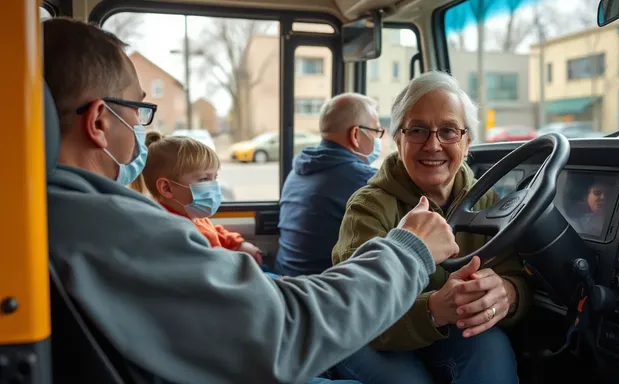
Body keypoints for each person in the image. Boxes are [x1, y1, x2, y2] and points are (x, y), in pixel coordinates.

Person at [43, 17, 467, 383]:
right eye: (136, 109)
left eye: (450, 131)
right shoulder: (110, 227)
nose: (141, 124)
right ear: (100, 121)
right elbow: (281, 332)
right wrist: (409, 251)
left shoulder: (69, 213)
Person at [329, 71, 532, 384]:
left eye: (448, 131)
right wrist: (434, 309)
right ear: (398, 139)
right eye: (418, 130)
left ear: (466, 142)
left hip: (448, 333)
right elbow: (356, 309)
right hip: (371, 336)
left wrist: (507, 293)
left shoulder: (487, 198)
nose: (433, 144)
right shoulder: (367, 207)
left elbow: (515, 275)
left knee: (492, 347)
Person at [276, 93, 382, 276]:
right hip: (321, 293)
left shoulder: (298, 170)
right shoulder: (365, 179)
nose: (378, 140)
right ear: (356, 134)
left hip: (284, 282)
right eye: (376, 132)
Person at [129, 131, 263, 265]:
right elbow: (208, 265)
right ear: (167, 188)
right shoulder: (173, 231)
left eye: (214, 178)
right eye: (204, 179)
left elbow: (215, 232)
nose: (214, 186)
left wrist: (237, 244)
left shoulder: (193, 215)